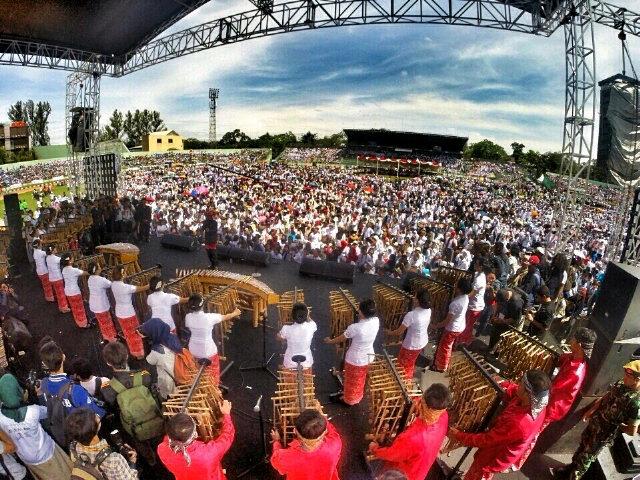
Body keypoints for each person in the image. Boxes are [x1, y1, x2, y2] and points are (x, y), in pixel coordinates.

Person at [515, 327, 597, 470]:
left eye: (573, 339)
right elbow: (560, 359)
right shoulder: (572, 357)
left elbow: (552, 388)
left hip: (553, 407)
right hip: (548, 401)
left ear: (578, 345)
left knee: (532, 433)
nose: (570, 340)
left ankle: (518, 460)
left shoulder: (575, 372)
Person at [449, 369, 551, 480]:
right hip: (499, 443)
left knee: (478, 473)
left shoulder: (519, 423)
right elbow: (514, 391)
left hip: (494, 456)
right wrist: (499, 383)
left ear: (528, 393)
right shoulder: (535, 403)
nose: (518, 385)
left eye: (521, 383)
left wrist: (459, 435)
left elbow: (486, 440)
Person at [552, 360, 640, 480]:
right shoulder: (622, 384)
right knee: (582, 447)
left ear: (637, 379)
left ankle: (573, 477)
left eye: (629, 376)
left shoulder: (636, 403)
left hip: (604, 434)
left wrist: (616, 425)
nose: (624, 377)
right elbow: (607, 396)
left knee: (586, 457)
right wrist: (592, 410)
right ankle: (569, 469)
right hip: (596, 423)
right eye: (625, 374)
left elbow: (632, 431)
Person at [369, 383, 451, 480]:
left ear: (423, 403)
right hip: (420, 472)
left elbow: (392, 454)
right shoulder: (443, 416)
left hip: (402, 475)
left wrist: (375, 449)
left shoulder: (413, 438)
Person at [0, 373, 72, 480]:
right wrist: (38, 395)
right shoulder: (32, 411)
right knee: (66, 474)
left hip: (26, 458)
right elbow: (48, 411)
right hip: (47, 453)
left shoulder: (1, 416)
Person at [157, 402, 234, 480]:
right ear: (194, 434)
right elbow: (227, 437)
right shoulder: (209, 453)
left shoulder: (161, 449)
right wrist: (226, 414)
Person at [324, 298, 380, 405]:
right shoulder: (376, 321)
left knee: (351, 380)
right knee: (360, 377)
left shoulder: (355, 328)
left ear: (361, 312)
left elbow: (342, 338)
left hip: (355, 359)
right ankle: (358, 396)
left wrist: (330, 341)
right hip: (369, 356)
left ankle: (349, 400)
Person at [38, 340, 106, 420]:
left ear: (44, 364)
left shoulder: (43, 383)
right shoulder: (75, 390)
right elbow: (97, 413)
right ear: (63, 357)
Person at [65, 407, 138, 480]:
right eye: (95, 418)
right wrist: (132, 463)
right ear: (93, 432)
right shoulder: (114, 460)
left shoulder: (73, 448)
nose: (98, 416)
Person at [270, 409, 343, 480]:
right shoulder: (334, 444)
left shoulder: (285, 457)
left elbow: (276, 461)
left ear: (294, 431)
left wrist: (277, 441)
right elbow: (332, 431)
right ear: (324, 432)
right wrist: (321, 420)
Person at [185, 294, 241, 384]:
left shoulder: (188, 317)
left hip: (193, 350)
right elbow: (225, 317)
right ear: (202, 305)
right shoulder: (209, 317)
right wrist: (235, 313)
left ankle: (201, 383)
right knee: (212, 372)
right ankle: (214, 386)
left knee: (198, 370)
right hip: (208, 351)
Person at [385, 289, 431, 379]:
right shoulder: (428, 310)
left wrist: (389, 332)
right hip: (422, 341)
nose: (413, 298)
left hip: (411, 345)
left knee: (404, 366)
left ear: (417, 300)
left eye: (415, 297)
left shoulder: (411, 315)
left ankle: (404, 383)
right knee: (410, 362)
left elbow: (399, 331)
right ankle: (404, 380)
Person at [432, 278, 472, 372]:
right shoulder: (465, 297)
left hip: (452, 328)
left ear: (459, 289)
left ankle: (442, 366)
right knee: (448, 345)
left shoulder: (455, 304)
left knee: (445, 347)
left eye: (456, 284)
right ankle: (443, 363)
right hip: (460, 325)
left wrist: (436, 326)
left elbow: (447, 321)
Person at [138, 317, 183, 399]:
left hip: (168, 381)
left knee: (169, 398)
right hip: (179, 373)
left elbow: (149, 361)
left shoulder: (157, 351)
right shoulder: (172, 336)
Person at [111, 265, 149, 359]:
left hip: (119, 313)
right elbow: (143, 288)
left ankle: (133, 352)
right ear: (122, 274)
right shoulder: (126, 287)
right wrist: (150, 284)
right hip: (128, 314)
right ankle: (139, 354)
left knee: (128, 334)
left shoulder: (113, 284)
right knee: (135, 334)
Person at [277, 303, 317, 370]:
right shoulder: (312, 326)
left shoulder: (286, 328)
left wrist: (282, 338)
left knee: (288, 360)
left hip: (290, 363)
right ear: (306, 315)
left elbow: (278, 338)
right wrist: (307, 315)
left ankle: (285, 367)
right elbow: (310, 320)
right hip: (307, 363)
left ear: (292, 316)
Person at [458, 259, 487, 346]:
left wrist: (461, 298)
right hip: (475, 304)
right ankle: (466, 340)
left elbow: (472, 293)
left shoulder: (479, 279)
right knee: (469, 325)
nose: (474, 264)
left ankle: (463, 342)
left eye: (476, 263)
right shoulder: (479, 275)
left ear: (481, 267)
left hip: (474, 306)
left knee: (467, 325)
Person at [87, 262, 117, 342]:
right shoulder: (101, 280)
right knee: (107, 321)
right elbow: (110, 284)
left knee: (101, 322)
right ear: (96, 270)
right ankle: (112, 338)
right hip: (101, 305)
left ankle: (106, 335)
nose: (101, 268)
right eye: (99, 266)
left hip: (94, 304)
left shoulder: (90, 278)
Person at [61, 253, 89, 328]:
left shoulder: (64, 270)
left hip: (67, 292)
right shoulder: (74, 270)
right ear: (70, 261)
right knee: (80, 308)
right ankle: (84, 324)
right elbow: (85, 273)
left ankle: (79, 322)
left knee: (74, 308)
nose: (73, 258)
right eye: (72, 258)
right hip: (75, 293)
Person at [45, 245, 70, 313]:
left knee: (58, 293)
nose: (56, 249)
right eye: (55, 249)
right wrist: (69, 257)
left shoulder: (47, 258)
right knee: (61, 293)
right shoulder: (56, 259)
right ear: (52, 251)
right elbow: (64, 261)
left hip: (52, 278)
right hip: (57, 278)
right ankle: (64, 308)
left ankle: (61, 307)